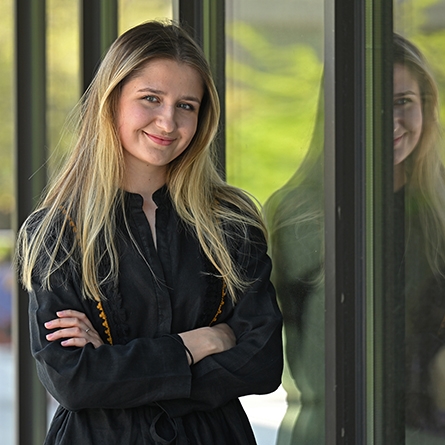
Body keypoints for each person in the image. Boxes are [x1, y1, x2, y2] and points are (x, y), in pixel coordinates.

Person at [15, 20, 283, 445]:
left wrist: (117, 366)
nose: (168, 121)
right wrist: (198, 343)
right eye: (151, 99)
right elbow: (74, 380)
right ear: (112, 100)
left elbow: (262, 364)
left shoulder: (232, 222)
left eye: (186, 106)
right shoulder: (54, 231)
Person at [264, 33, 445, 444]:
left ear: (426, 109)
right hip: (326, 433)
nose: (391, 119)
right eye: (373, 100)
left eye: (403, 102)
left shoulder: (440, 210)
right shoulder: (295, 213)